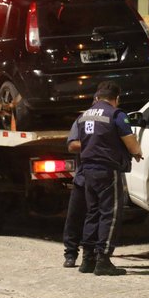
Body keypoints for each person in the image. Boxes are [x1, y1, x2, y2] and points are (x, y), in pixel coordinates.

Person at [78, 82, 143, 276]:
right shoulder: (116, 115)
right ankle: (103, 259)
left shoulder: (84, 115)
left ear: (98, 96)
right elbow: (131, 144)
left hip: (87, 169)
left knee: (92, 212)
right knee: (111, 214)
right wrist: (137, 151)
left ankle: (87, 259)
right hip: (107, 170)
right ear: (117, 98)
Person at [62, 116, 94, 270]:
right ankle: (70, 254)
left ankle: (92, 255)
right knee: (75, 216)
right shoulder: (82, 120)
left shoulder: (114, 117)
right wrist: (97, 144)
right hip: (83, 177)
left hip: (103, 178)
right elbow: (72, 145)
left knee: (96, 218)